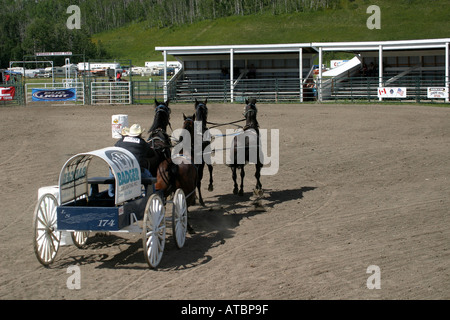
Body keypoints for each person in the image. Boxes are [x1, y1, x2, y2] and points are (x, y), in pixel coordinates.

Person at [108, 124, 155, 197]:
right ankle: (150, 195)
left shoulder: (121, 141)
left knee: (111, 171)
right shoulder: (142, 143)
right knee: (149, 176)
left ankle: (111, 194)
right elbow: (151, 154)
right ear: (139, 134)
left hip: (118, 171)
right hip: (135, 172)